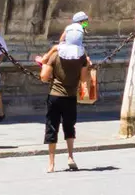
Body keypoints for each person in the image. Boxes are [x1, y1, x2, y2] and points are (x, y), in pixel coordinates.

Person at [35, 27, 94, 173]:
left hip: (55, 96)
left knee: (52, 127)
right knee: (69, 126)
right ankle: (70, 156)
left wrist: (48, 57)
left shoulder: (56, 55)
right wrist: (88, 65)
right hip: (71, 97)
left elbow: (43, 77)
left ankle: (51, 164)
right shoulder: (82, 58)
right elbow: (84, 79)